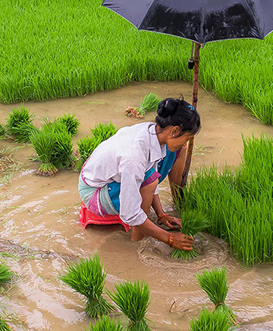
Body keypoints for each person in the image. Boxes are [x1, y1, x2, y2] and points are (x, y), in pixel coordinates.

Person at [78, 97, 200, 249]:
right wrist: (169, 238)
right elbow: (130, 213)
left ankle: (142, 231)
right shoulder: (134, 154)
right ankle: (136, 244)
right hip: (95, 191)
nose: (185, 143)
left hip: (107, 176)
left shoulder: (153, 133)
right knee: (149, 180)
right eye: (187, 138)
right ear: (175, 130)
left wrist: (161, 214)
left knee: (154, 174)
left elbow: (152, 171)